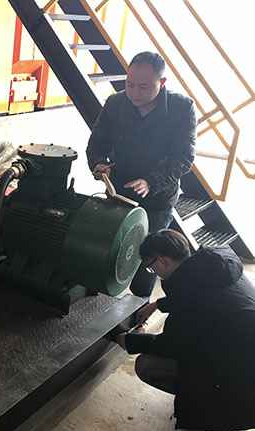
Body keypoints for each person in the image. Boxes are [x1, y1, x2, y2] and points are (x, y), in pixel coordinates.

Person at [116, 229, 255, 431]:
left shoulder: (191, 303)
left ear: (162, 261)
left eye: (151, 268)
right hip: (243, 356)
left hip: (243, 394)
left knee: (146, 365)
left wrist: (130, 341)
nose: (154, 273)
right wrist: (159, 304)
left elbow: (172, 346)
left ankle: (207, 411)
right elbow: (200, 296)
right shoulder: (216, 267)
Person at [86, 51, 197, 297]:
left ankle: (138, 305)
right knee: (106, 249)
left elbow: (184, 158)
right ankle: (95, 299)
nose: (134, 93)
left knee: (148, 260)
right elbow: (97, 143)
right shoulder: (115, 103)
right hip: (119, 192)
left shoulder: (182, 108)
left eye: (144, 87)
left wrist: (150, 181)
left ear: (162, 82)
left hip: (157, 201)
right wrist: (99, 163)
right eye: (129, 84)